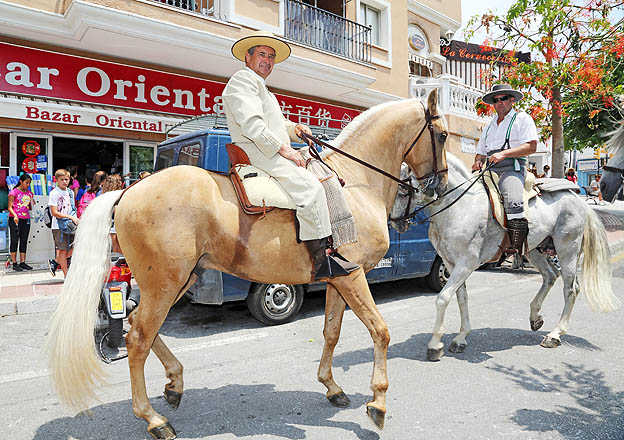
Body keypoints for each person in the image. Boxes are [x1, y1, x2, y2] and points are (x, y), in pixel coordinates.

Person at [222, 31, 358, 280]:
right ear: (247, 57)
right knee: (311, 188)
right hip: (257, 152)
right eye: (262, 54)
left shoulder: (265, 90)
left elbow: (276, 124)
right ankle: (321, 261)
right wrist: (284, 149)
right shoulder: (243, 80)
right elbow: (253, 126)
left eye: (271, 56)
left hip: (266, 149)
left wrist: (294, 130)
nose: (268, 60)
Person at [472, 84, 538, 254]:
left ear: (512, 100)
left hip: (512, 168)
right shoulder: (489, 126)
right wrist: (478, 162)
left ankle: (516, 247)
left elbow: (531, 147)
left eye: (503, 99)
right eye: (496, 100)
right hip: (489, 169)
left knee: (513, 201)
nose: (499, 102)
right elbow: (480, 153)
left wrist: (503, 154)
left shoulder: (522, 119)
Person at [48, 169, 79, 277]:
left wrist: (75, 218)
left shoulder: (70, 192)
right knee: (62, 250)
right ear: (57, 180)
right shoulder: (54, 193)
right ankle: (66, 275)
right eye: (62, 180)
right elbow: (54, 212)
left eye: (66, 179)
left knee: (77, 247)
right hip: (58, 226)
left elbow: (72, 208)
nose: (65, 182)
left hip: (70, 225)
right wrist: (70, 217)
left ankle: (56, 261)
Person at [7, 174, 34, 271]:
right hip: (15, 219)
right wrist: (15, 215)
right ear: (21, 181)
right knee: (14, 240)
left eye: (29, 183)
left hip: (25, 218)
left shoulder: (30, 193)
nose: (28, 185)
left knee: (24, 240)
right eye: (26, 183)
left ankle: (23, 262)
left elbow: (29, 207)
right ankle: (14, 263)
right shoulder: (13, 192)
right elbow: (9, 207)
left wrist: (31, 204)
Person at [101, 174, 125, 254]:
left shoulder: (103, 196)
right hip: (114, 225)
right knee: (117, 248)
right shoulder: (117, 196)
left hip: (107, 224)